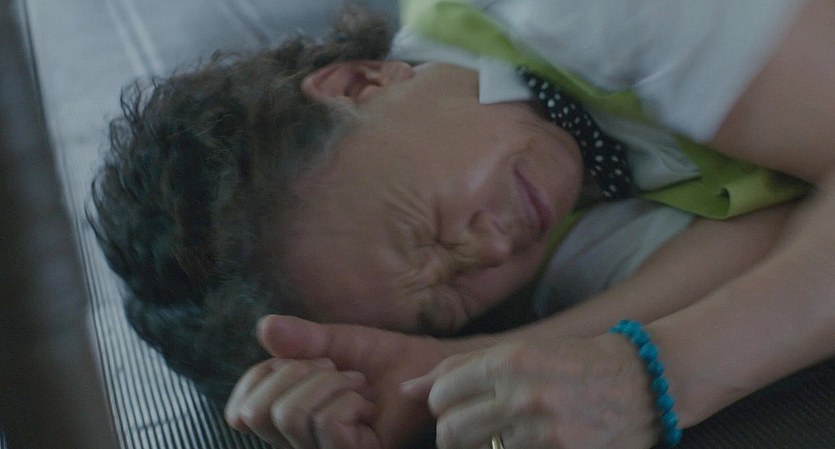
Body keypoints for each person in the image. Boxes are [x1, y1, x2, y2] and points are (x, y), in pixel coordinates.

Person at [90, 1, 835, 448]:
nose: (489, 248)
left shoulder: (574, 11)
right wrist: (445, 371)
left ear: (360, 83)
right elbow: (782, 253)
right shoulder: (535, 229)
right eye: (444, 302)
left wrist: (656, 378)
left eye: (419, 229)